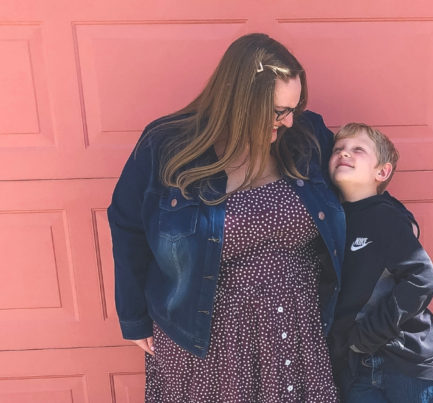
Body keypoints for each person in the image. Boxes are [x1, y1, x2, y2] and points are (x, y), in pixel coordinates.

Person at [107, 33, 344, 402]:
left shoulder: (307, 137)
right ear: (238, 101)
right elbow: (127, 226)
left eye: (295, 107)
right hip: (206, 338)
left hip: (296, 329)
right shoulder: (167, 144)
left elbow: (358, 193)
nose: (288, 121)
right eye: (278, 111)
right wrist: (133, 315)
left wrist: (396, 229)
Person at [327, 123, 433, 402]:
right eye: (338, 149)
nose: (345, 154)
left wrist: (364, 337)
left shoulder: (386, 217)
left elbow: (423, 279)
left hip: (407, 362)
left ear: (382, 172)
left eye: (358, 149)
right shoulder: (331, 219)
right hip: (357, 368)